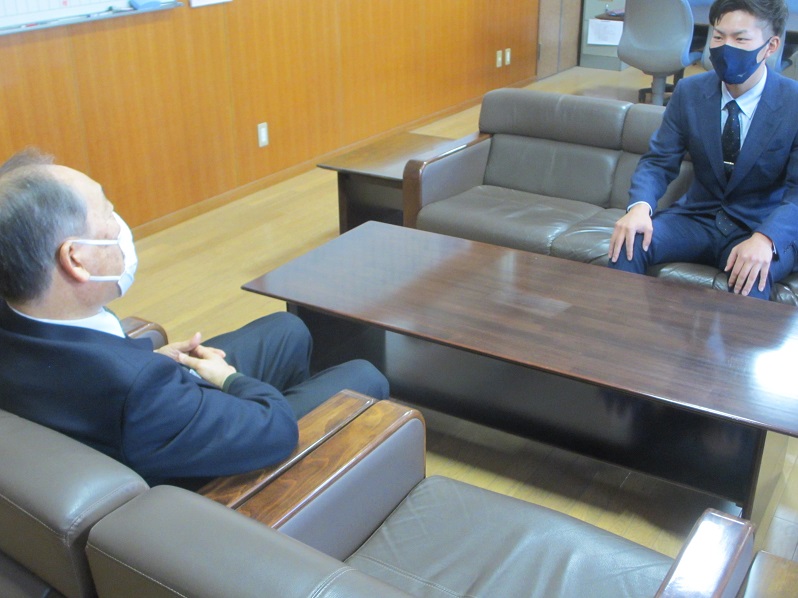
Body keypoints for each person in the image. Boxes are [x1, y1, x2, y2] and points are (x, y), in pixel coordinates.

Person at [0, 148, 389, 486]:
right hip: (190, 472)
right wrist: (231, 380)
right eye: (108, 213)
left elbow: (87, 374)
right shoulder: (139, 388)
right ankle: (303, 471)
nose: (119, 225)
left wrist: (147, 357)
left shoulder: (20, 315)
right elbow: (276, 428)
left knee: (287, 329)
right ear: (76, 259)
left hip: (136, 420)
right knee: (363, 376)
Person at [608, 0, 798, 300]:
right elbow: (659, 161)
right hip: (698, 217)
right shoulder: (690, 92)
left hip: (759, 225)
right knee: (628, 243)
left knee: (752, 277)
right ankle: (624, 329)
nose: (726, 47)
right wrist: (640, 208)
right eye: (719, 36)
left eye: (740, 39)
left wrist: (767, 238)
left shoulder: (793, 103)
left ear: (771, 46)